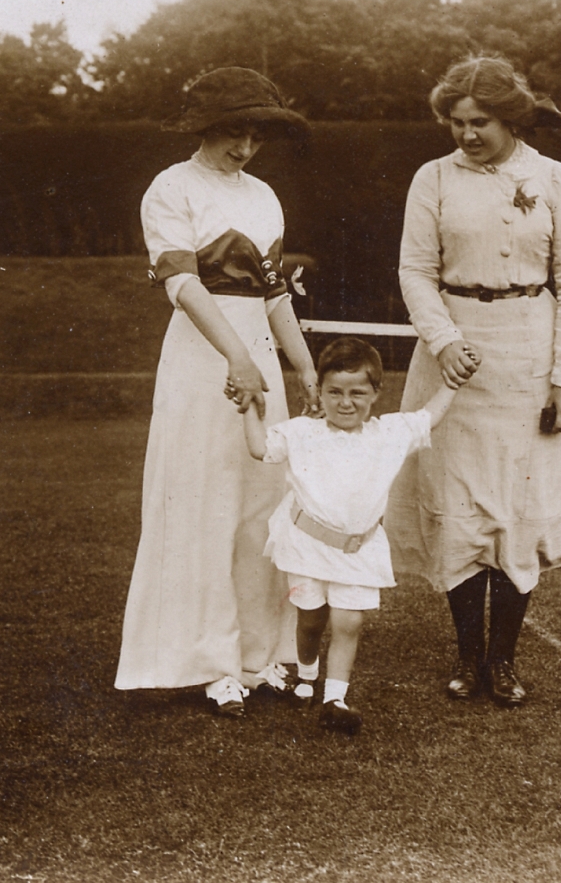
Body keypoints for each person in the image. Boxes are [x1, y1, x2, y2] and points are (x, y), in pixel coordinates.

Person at [386, 55, 561, 708]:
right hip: (451, 362)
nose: (465, 134)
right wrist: (444, 340)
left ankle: (504, 661)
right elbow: (415, 272)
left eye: (479, 121)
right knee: (458, 514)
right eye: (455, 122)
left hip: (531, 360)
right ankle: (467, 658)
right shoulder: (431, 180)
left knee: (517, 513)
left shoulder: (555, 179)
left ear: (510, 118)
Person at [115, 67, 319, 718]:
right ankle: (208, 663)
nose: (244, 148)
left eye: (255, 135)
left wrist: (303, 366)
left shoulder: (263, 195)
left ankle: (260, 657)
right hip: (203, 363)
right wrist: (235, 357)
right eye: (233, 133)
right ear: (204, 129)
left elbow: (273, 291)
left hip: (257, 356)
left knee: (264, 508)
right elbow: (182, 286)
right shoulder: (169, 189)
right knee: (202, 506)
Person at [243, 337, 473, 733]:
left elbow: (429, 415)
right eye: (335, 392)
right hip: (306, 546)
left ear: (375, 394)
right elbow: (259, 448)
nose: (345, 402)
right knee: (311, 620)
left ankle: (335, 699)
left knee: (349, 622)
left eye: (357, 393)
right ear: (322, 392)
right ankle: (308, 672)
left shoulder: (389, 433)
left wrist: (452, 383)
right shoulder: (302, 432)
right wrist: (246, 404)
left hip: (359, 550)